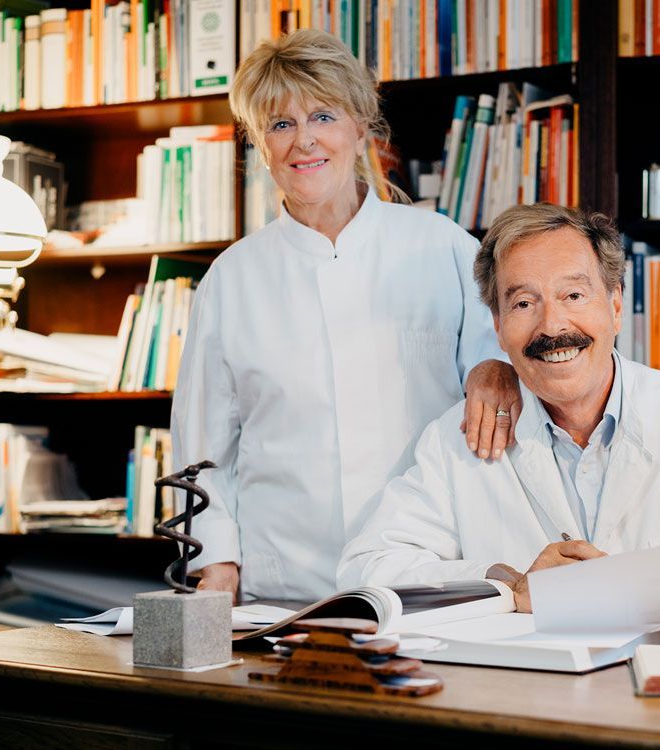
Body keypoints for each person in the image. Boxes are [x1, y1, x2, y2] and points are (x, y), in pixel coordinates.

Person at [338, 203, 660, 645]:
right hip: (523, 713)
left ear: (616, 306)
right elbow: (367, 570)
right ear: (499, 329)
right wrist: (510, 584)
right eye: (524, 302)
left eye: (574, 295)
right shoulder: (459, 436)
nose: (553, 325)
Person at [171, 30, 520, 603]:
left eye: (322, 116)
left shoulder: (445, 247)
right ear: (261, 145)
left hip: (429, 575)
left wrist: (493, 368)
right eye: (280, 125)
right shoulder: (230, 282)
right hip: (285, 588)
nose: (303, 141)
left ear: (360, 128)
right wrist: (218, 566)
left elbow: (507, 375)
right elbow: (203, 449)